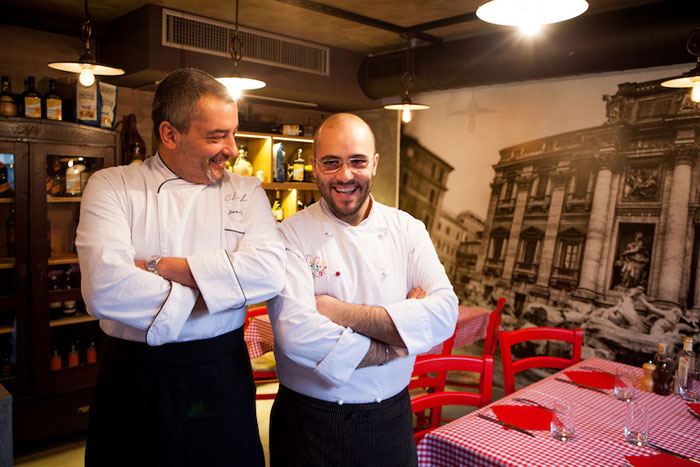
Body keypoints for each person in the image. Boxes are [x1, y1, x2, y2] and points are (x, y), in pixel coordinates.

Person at [76, 68, 285, 467]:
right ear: (170, 134)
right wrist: (221, 290)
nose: (233, 148)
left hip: (221, 374)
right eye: (216, 136)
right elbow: (105, 289)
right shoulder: (113, 186)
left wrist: (159, 266)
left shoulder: (246, 191)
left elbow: (270, 273)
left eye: (233, 133)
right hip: (137, 378)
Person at [268, 113, 459, 466]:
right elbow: (297, 334)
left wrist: (335, 311)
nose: (345, 176)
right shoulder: (288, 235)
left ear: (374, 163)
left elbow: (445, 314)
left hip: (392, 421)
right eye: (331, 163)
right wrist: (395, 344)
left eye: (357, 162)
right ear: (313, 165)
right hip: (309, 426)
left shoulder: (407, 229)